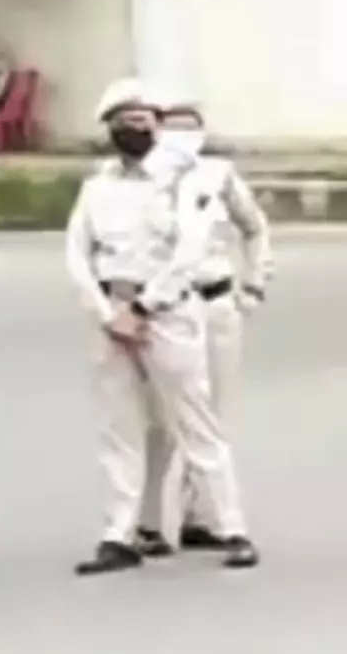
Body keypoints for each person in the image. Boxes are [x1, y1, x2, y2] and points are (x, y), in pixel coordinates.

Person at [64, 80, 254, 576]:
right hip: (113, 317)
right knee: (120, 429)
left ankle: (231, 526)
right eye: (123, 122)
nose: (134, 129)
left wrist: (145, 308)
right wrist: (110, 315)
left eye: (143, 119)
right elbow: (77, 256)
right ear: (109, 129)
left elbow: (188, 252)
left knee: (195, 421)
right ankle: (119, 532)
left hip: (168, 314)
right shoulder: (97, 188)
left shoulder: (183, 182)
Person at [128, 95, 270, 559]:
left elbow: (254, 227)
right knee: (161, 419)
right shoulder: (144, 178)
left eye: (192, 127)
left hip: (216, 301)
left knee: (213, 413)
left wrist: (255, 281)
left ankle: (196, 515)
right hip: (166, 306)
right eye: (175, 126)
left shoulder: (218, 175)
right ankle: (149, 521)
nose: (183, 135)